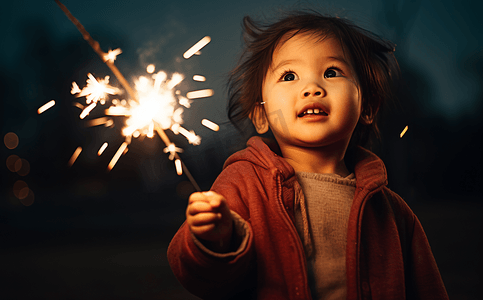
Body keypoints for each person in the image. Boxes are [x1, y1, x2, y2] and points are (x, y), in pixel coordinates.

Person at [167, 10, 449, 300]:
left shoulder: (392, 211)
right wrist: (214, 239)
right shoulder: (243, 184)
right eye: (289, 76)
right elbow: (197, 276)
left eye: (331, 72)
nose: (312, 88)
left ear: (367, 106)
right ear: (261, 114)